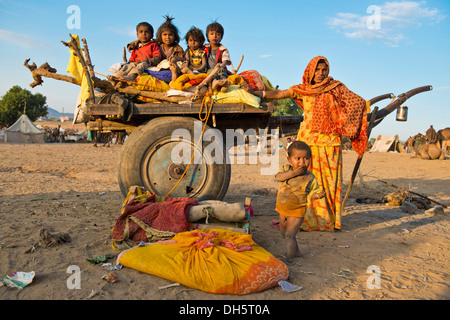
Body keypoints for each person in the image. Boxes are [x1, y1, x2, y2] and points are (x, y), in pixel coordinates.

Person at [259, 56, 368, 231]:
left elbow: (358, 103)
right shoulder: (303, 89)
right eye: (317, 69)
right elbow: (280, 94)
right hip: (307, 144)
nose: (321, 73)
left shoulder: (336, 88)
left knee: (328, 183)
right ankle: (306, 220)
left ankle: (327, 221)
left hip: (330, 142)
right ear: (310, 70)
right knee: (304, 181)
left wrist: (347, 120)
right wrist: (260, 94)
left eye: (324, 69)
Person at [275, 141, 325, 265]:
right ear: (289, 159)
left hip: (297, 210)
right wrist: (293, 173)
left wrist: (317, 195)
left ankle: (290, 259)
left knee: (290, 235)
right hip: (283, 208)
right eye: (298, 158)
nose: (302, 162)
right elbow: (278, 177)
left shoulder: (310, 177)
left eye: (306, 158)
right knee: (283, 232)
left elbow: (312, 192)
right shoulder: (286, 169)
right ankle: (296, 252)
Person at [203, 21, 232, 91]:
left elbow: (225, 60)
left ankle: (224, 83)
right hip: (209, 69)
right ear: (207, 36)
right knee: (211, 75)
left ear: (221, 37)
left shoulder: (223, 49)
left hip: (220, 68)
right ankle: (215, 83)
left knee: (223, 73)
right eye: (212, 34)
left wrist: (222, 65)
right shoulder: (204, 48)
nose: (214, 36)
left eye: (217, 34)